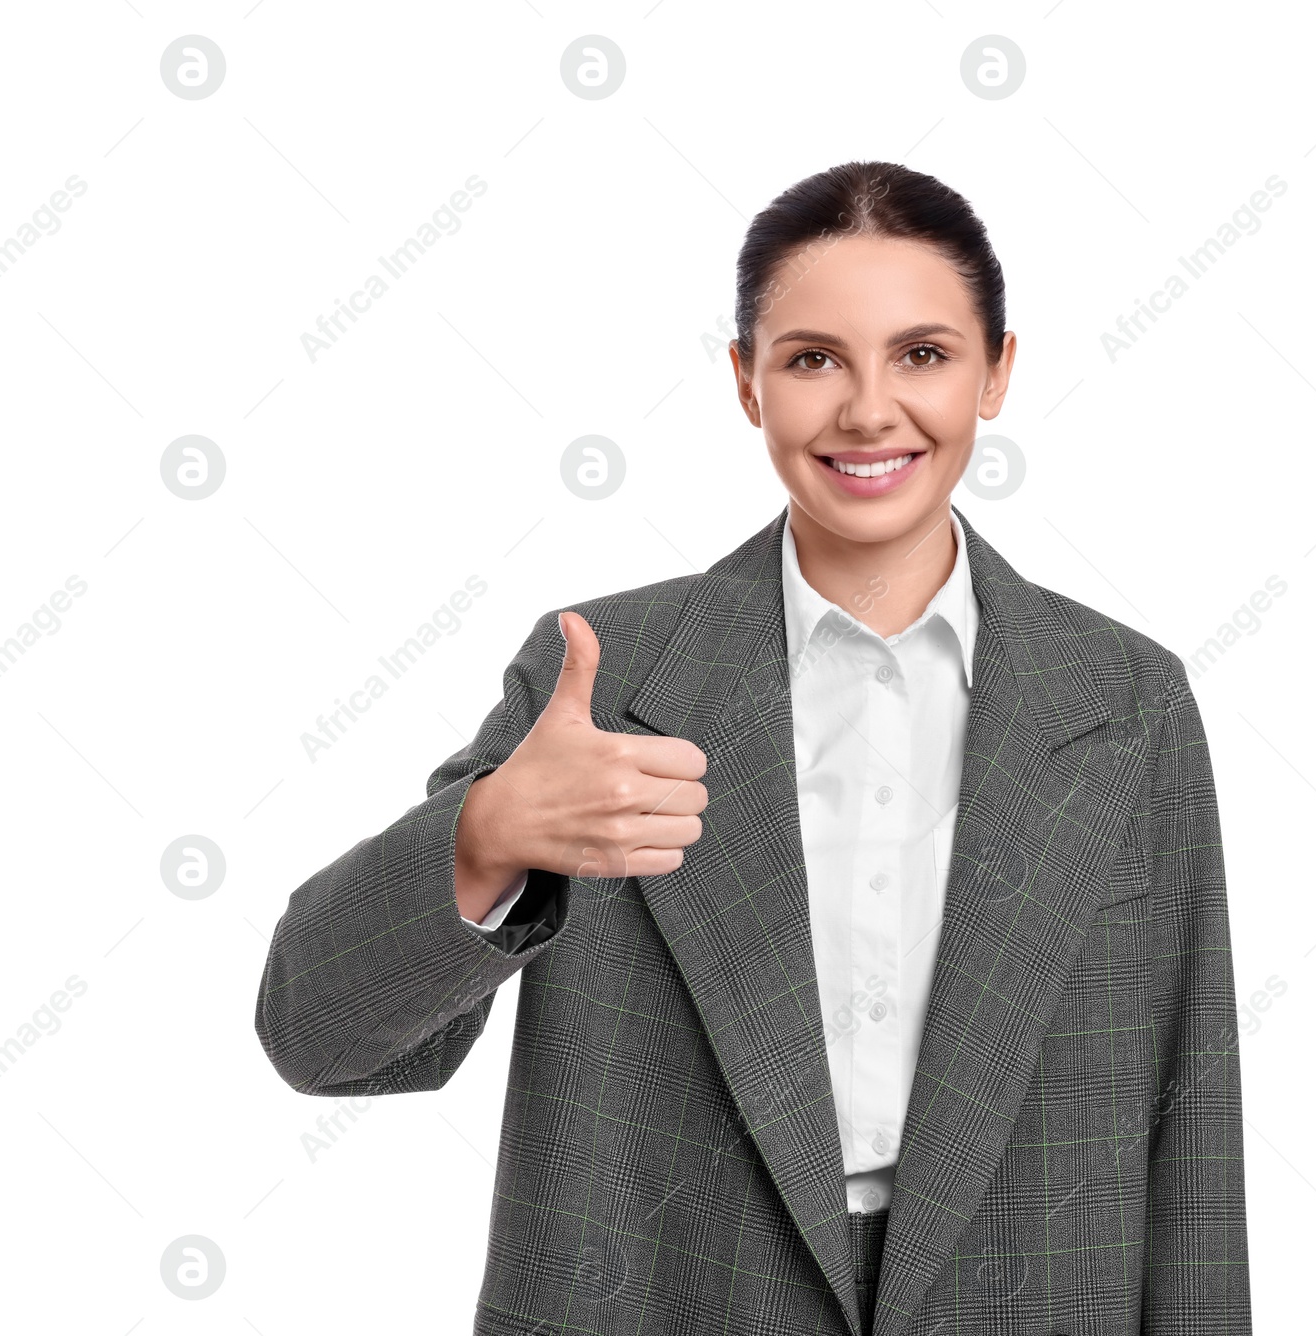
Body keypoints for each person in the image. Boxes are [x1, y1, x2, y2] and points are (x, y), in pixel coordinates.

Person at [255, 159, 1252, 1336]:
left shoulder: (1122, 700)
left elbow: (1193, 1129)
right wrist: (486, 837)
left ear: (997, 373)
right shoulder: (605, 679)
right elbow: (319, 1040)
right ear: (746, 383)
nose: (869, 409)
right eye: (813, 358)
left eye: (922, 355)